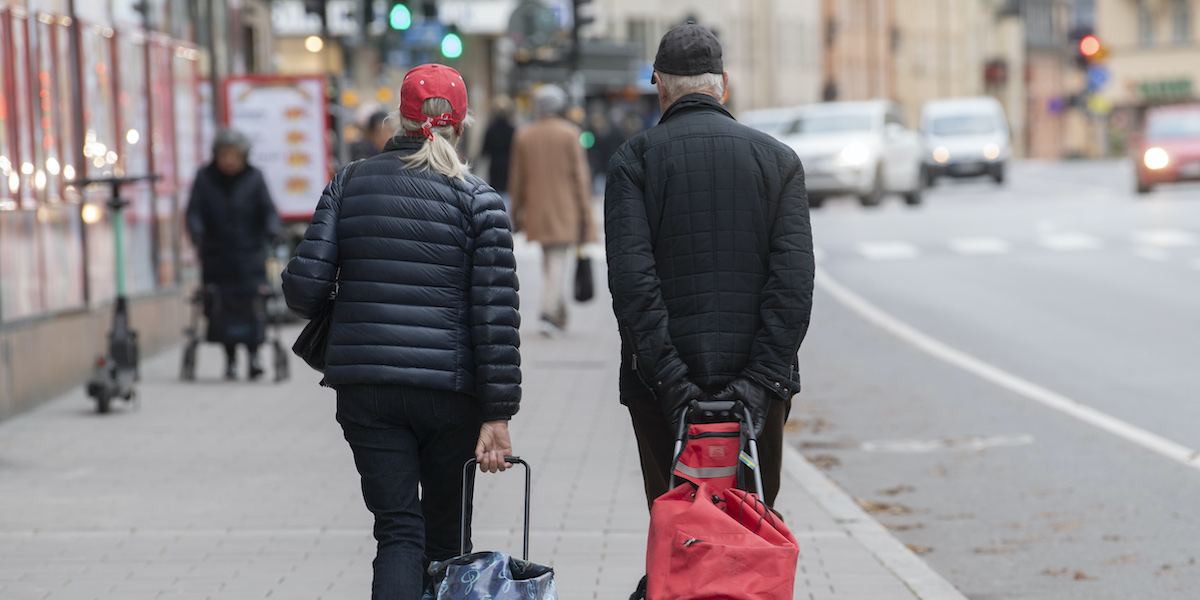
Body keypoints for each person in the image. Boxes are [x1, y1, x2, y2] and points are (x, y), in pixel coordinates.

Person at [281, 64, 521, 599]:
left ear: (399, 118)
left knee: (397, 531)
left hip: (368, 389)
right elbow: (495, 316)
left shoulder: (350, 182)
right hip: (451, 395)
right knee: (446, 536)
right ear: (461, 125)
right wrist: (498, 414)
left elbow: (303, 291)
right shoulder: (480, 201)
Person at [605, 23, 814, 512]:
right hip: (760, 387)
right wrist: (760, 385)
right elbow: (793, 286)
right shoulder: (779, 162)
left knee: (679, 531)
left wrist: (673, 385)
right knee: (750, 526)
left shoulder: (633, 162)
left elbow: (633, 286)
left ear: (658, 83)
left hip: (661, 390)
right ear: (724, 83)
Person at [185, 128, 280, 380]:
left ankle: (255, 356)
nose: (229, 160)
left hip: (249, 257)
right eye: (224, 154)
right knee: (220, 309)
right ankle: (230, 360)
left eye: (234, 155)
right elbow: (193, 211)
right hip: (216, 257)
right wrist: (197, 231)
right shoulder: (204, 178)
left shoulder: (255, 177)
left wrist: (272, 229)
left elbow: (268, 210)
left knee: (253, 307)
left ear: (244, 156)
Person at [508, 84, 597, 337]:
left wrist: (516, 214)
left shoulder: (523, 135)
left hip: (536, 210)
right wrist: (586, 217)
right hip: (566, 209)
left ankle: (558, 314)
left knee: (550, 261)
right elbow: (581, 179)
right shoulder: (570, 134)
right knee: (556, 260)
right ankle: (548, 314)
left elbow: (517, 180)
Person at [478, 95, 515, 198]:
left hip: (494, 167)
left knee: (496, 194)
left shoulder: (491, 129)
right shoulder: (512, 130)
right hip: (509, 167)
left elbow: (484, 151)